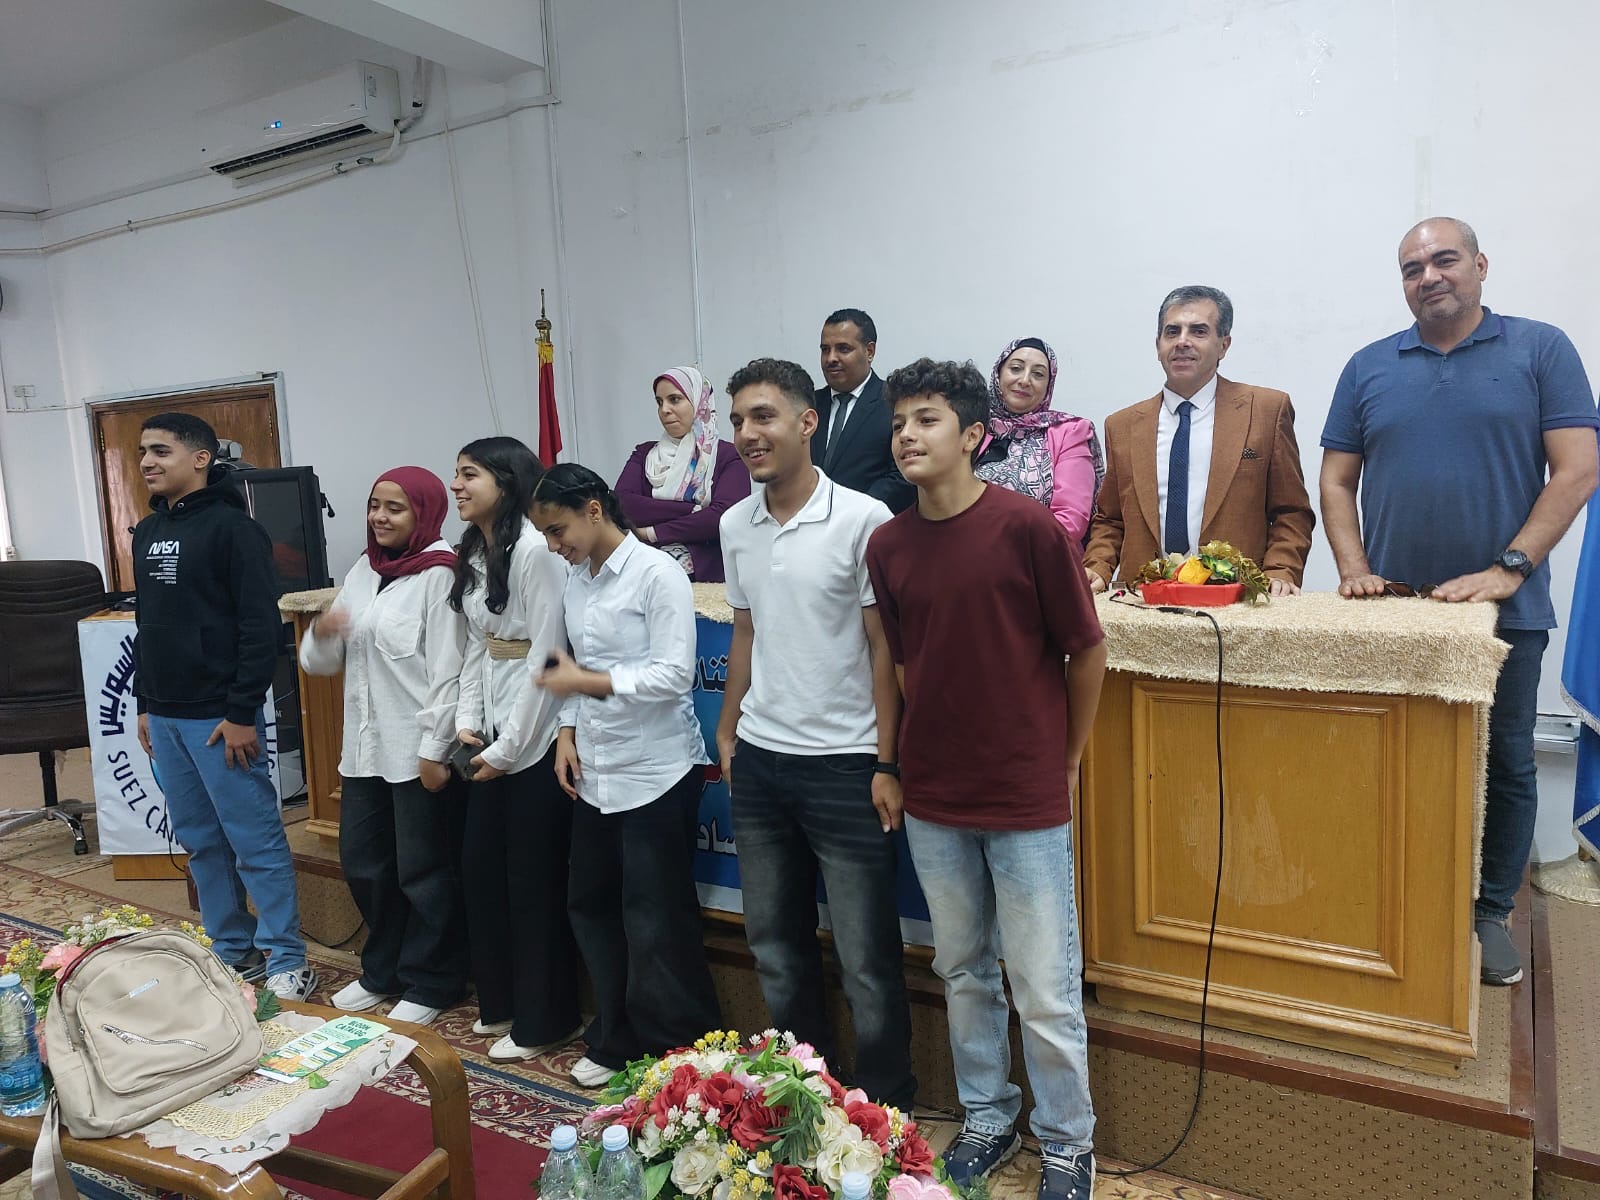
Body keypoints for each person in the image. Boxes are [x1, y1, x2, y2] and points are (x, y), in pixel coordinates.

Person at [1320, 217, 1599, 985]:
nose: (1429, 275)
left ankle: (1488, 914)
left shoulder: (1541, 349)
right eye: (1412, 267)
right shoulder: (1368, 366)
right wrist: (1353, 567)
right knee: (1392, 758)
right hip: (1394, 615)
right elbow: (1336, 479)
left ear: (1480, 264)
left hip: (1506, 614)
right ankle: (1395, 902)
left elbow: (1579, 468)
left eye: (1444, 259)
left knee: (1505, 762)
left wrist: (1511, 568)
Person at [866, 359, 1106, 1200]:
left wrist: (1066, 759)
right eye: (900, 422)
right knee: (963, 969)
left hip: (1022, 793)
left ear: (972, 435)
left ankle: (1067, 1141)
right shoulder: (889, 544)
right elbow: (899, 664)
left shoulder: (1026, 528)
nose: (907, 436)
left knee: (1043, 984)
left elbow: (1087, 651)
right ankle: (987, 1115)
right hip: (934, 795)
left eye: (926, 420)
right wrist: (893, 763)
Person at [715, 357, 916, 1109]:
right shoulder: (736, 523)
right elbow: (745, 632)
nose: (747, 433)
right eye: (738, 420)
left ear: (807, 423)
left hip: (846, 766)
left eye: (763, 416)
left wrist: (887, 761)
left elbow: (883, 647)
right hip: (761, 764)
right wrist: (729, 731)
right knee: (774, 946)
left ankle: (885, 1105)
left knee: (867, 958)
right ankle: (805, 1094)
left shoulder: (864, 518)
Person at [531, 463, 721, 1089]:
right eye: (546, 535)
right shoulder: (576, 578)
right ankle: (616, 1038)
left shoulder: (657, 573)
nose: (553, 546)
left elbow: (673, 674)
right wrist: (565, 730)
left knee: (656, 920)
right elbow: (571, 662)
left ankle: (675, 1054)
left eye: (558, 530)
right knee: (591, 906)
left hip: (657, 771)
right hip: (596, 770)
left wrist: (585, 683)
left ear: (593, 509)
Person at [131, 412, 315, 1000]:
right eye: (143, 452)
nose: (147, 462)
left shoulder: (236, 531)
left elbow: (260, 629)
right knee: (201, 840)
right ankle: (232, 948)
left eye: (161, 451)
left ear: (201, 458)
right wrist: (144, 702)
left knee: (253, 838)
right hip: (166, 716)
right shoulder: (145, 532)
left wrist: (240, 713)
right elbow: (147, 624)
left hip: (219, 718)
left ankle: (286, 956)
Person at [300, 467, 469, 1026]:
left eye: (395, 508)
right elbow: (319, 663)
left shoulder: (441, 575)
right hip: (363, 749)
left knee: (424, 871)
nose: (379, 517)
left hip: (416, 750)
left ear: (424, 512)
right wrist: (323, 633)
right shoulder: (364, 569)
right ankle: (384, 969)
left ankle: (432, 978)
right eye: (375, 505)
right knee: (365, 863)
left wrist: (436, 748)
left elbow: (449, 673)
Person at [448, 436, 581, 1059]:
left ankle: (546, 1018)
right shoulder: (476, 549)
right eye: (456, 474)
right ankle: (500, 1001)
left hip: (537, 735)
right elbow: (479, 644)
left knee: (533, 884)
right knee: (482, 873)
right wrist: (468, 721)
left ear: (507, 482)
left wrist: (509, 749)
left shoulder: (535, 550)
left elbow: (547, 655)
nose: (457, 486)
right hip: (494, 730)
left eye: (469, 474)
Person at [1083, 285, 1315, 594]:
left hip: (1237, 599)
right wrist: (1098, 566)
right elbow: (1110, 519)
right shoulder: (1122, 425)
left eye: (1199, 331)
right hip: (1143, 600)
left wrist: (1281, 570)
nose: (1182, 341)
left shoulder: (1266, 411)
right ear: (1158, 345)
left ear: (1223, 345)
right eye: (1172, 331)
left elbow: (1291, 512)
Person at [614, 366, 751, 581]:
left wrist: (651, 532)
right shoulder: (644, 454)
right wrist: (694, 510)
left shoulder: (729, 456)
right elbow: (622, 504)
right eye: (659, 402)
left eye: (675, 399)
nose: (665, 410)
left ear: (699, 402)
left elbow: (723, 518)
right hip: (644, 569)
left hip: (707, 575)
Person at [974, 336, 1103, 542]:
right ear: (998, 373)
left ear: (1048, 385)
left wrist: (1002, 547)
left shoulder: (1070, 432)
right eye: (1016, 368)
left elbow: (1071, 520)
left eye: (1038, 374)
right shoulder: (973, 427)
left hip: (1036, 556)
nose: (1025, 380)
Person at [811, 308, 916, 512]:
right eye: (825, 349)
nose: (831, 358)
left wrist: (851, 513)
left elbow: (902, 476)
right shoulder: (809, 405)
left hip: (870, 522)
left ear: (869, 351)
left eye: (843, 349)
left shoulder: (895, 402)